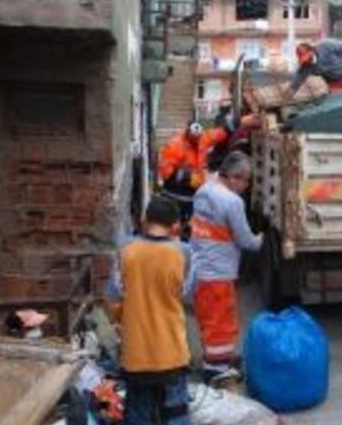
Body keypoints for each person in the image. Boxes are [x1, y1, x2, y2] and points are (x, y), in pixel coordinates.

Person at [108, 196, 192, 425]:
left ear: (145, 220)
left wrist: (122, 318)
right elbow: (188, 295)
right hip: (172, 351)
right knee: (177, 412)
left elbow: (113, 297)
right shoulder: (183, 252)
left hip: (136, 353)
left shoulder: (126, 250)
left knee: (137, 411)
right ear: (175, 226)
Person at [190, 150, 263, 385]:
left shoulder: (204, 190)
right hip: (219, 274)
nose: (246, 186)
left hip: (200, 269)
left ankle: (218, 359)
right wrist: (263, 238)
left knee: (208, 319)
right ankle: (216, 369)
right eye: (246, 180)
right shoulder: (232, 202)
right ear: (234, 177)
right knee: (221, 323)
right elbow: (246, 241)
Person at [159, 120, 229, 199]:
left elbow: (218, 134)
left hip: (196, 193)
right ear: (188, 132)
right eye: (194, 137)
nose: (196, 140)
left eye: (198, 137)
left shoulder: (203, 139)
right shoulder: (174, 146)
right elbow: (165, 174)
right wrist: (188, 177)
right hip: (176, 194)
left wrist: (230, 126)